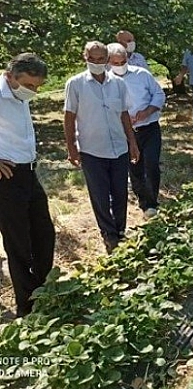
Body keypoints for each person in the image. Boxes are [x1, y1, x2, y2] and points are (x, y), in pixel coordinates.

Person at [63, 41, 140, 254]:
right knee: (99, 194)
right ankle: (108, 234)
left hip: (118, 147)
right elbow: (69, 116)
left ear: (107, 60)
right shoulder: (75, 84)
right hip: (91, 149)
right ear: (85, 58)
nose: (97, 63)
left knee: (120, 192)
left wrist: (132, 141)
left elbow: (124, 114)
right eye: (92, 59)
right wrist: (71, 147)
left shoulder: (118, 84)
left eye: (100, 59)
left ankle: (120, 230)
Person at [0, 53, 55, 317]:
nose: (33, 91)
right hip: (7, 178)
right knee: (18, 243)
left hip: (29, 173)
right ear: (10, 76)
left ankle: (43, 290)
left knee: (44, 234)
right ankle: (27, 306)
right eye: (29, 85)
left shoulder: (19, 96)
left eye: (37, 86)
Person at [107, 43, 166, 219]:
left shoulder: (142, 74)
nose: (119, 65)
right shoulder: (106, 81)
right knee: (135, 167)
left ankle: (152, 201)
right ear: (109, 62)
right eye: (115, 63)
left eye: (122, 61)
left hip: (149, 128)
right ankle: (144, 201)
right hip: (126, 131)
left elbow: (159, 94)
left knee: (152, 164)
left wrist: (148, 110)